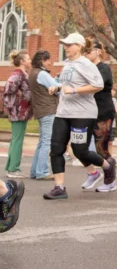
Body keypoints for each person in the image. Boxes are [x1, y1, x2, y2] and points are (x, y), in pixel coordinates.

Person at [43, 34, 116, 200]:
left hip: (82, 114)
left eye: (69, 45)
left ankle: (106, 165)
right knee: (56, 149)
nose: (66, 47)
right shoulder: (68, 64)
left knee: (80, 150)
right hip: (63, 112)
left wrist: (74, 91)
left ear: (80, 46)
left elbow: (98, 85)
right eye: (65, 45)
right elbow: (69, 85)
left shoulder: (86, 64)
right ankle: (59, 187)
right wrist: (58, 87)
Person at [85, 42, 117, 192]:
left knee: (101, 150)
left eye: (88, 51)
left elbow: (96, 84)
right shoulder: (86, 67)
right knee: (80, 147)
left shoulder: (104, 68)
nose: (85, 54)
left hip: (103, 113)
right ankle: (93, 173)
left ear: (98, 51)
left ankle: (110, 182)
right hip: (88, 113)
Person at [29, 50, 59, 180]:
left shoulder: (33, 73)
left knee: (42, 142)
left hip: (40, 110)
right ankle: (42, 172)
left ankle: (35, 171)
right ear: (42, 61)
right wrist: (59, 80)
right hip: (48, 110)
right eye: (48, 60)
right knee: (46, 142)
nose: (50, 62)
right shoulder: (42, 74)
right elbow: (56, 88)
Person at [3, 50, 32, 179]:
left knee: (16, 139)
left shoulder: (23, 73)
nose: (30, 60)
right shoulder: (18, 73)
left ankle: (11, 167)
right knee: (17, 140)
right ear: (22, 61)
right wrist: (19, 93)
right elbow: (9, 86)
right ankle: (14, 169)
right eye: (28, 58)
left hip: (22, 111)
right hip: (18, 111)